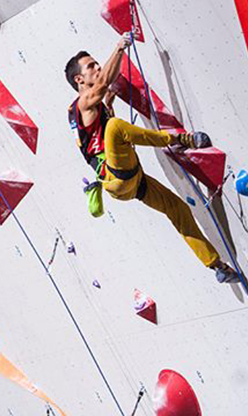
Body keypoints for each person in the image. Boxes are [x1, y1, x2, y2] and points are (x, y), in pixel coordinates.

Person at [65, 37, 239, 284]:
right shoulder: (82, 103)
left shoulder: (87, 110)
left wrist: (110, 104)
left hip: (130, 181)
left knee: (176, 208)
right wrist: (119, 47)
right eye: (91, 66)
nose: (98, 68)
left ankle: (217, 266)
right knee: (115, 126)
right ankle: (183, 140)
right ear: (79, 80)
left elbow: (98, 128)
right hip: (116, 174)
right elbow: (104, 85)